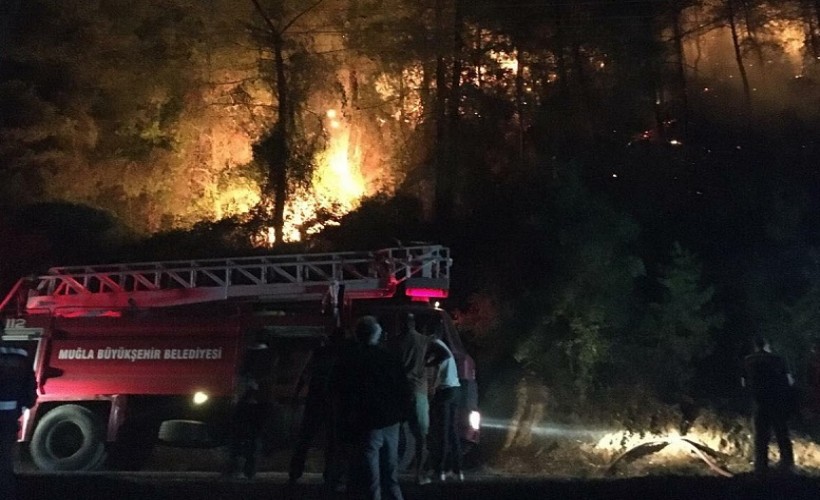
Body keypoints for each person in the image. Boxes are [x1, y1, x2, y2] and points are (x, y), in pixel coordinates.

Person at [336, 315, 409, 500]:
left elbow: (341, 392)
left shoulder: (351, 360)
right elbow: (404, 390)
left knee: (371, 481)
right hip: (391, 423)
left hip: (367, 424)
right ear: (378, 334)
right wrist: (406, 416)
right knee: (391, 477)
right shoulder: (390, 358)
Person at [289, 327, 346, 488]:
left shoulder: (320, 353)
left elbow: (305, 375)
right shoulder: (342, 355)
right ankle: (330, 476)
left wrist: (297, 394)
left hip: (316, 400)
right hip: (333, 402)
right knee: (333, 441)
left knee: (305, 438)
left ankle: (295, 473)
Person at [388, 313, 432, 484]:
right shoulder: (424, 340)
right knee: (420, 434)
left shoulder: (394, 342)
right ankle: (419, 475)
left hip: (398, 393)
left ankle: (391, 473)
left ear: (403, 324)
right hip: (418, 391)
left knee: (393, 434)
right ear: (414, 323)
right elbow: (444, 353)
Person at [742, 336, 795, 474]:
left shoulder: (748, 361)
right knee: (782, 433)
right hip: (777, 401)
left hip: (760, 402)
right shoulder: (777, 360)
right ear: (767, 345)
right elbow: (789, 381)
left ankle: (761, 465)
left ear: (755, 346)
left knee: (761, 436)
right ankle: (787, 464)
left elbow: (744, 383)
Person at [224, 338, 273, 480]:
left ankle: (238, 467)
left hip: (249, 404)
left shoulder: (248, 363)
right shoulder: (265, 362)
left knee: (240, 436)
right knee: (251, 437)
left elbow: (240, 383)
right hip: (256, 404)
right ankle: (246, 468)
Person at [0, 346, 37, 500]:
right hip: (8, 420)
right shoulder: (19, 355)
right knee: (4, 465)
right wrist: (20, 408)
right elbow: (30, 391)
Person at [426, 333, 463, 482]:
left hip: (445, 391)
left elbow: (443, 357)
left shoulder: (434, 344)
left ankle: (439, 470)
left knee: (442, 431)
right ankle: (457, 470)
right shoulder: (442, 345)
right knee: (452, 431)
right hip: (455, 389)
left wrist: (426, 363)